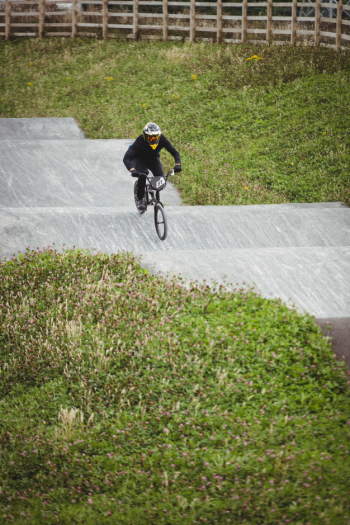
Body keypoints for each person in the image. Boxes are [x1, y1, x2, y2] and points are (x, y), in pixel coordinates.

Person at [123, 122, 181, 211]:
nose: (153, 140)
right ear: (145, 136)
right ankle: (140, 199)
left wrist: (177, 164)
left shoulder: (162, 139)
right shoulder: (140, 141)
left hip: (152, 157)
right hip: (139, 158)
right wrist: (132, 169)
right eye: (151, 138)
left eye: (155, 137)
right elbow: (126, 158)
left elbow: (175, 153)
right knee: (143, 173)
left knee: (160, 175)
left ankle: (151, 187)